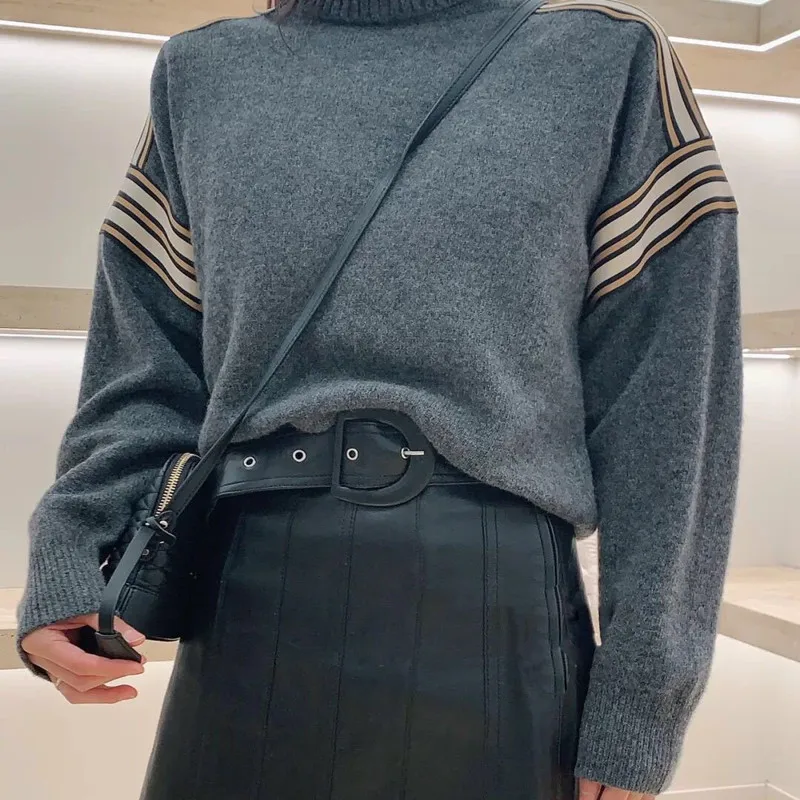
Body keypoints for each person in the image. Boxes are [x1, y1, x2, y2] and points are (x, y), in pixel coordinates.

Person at [16, 0, 742, 797]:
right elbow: (143, 361)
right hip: (245, 608)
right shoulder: (201, 74)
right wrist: (71, 550)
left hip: (497, 623)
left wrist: (642, 702)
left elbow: (669, 411)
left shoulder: (605, 61)